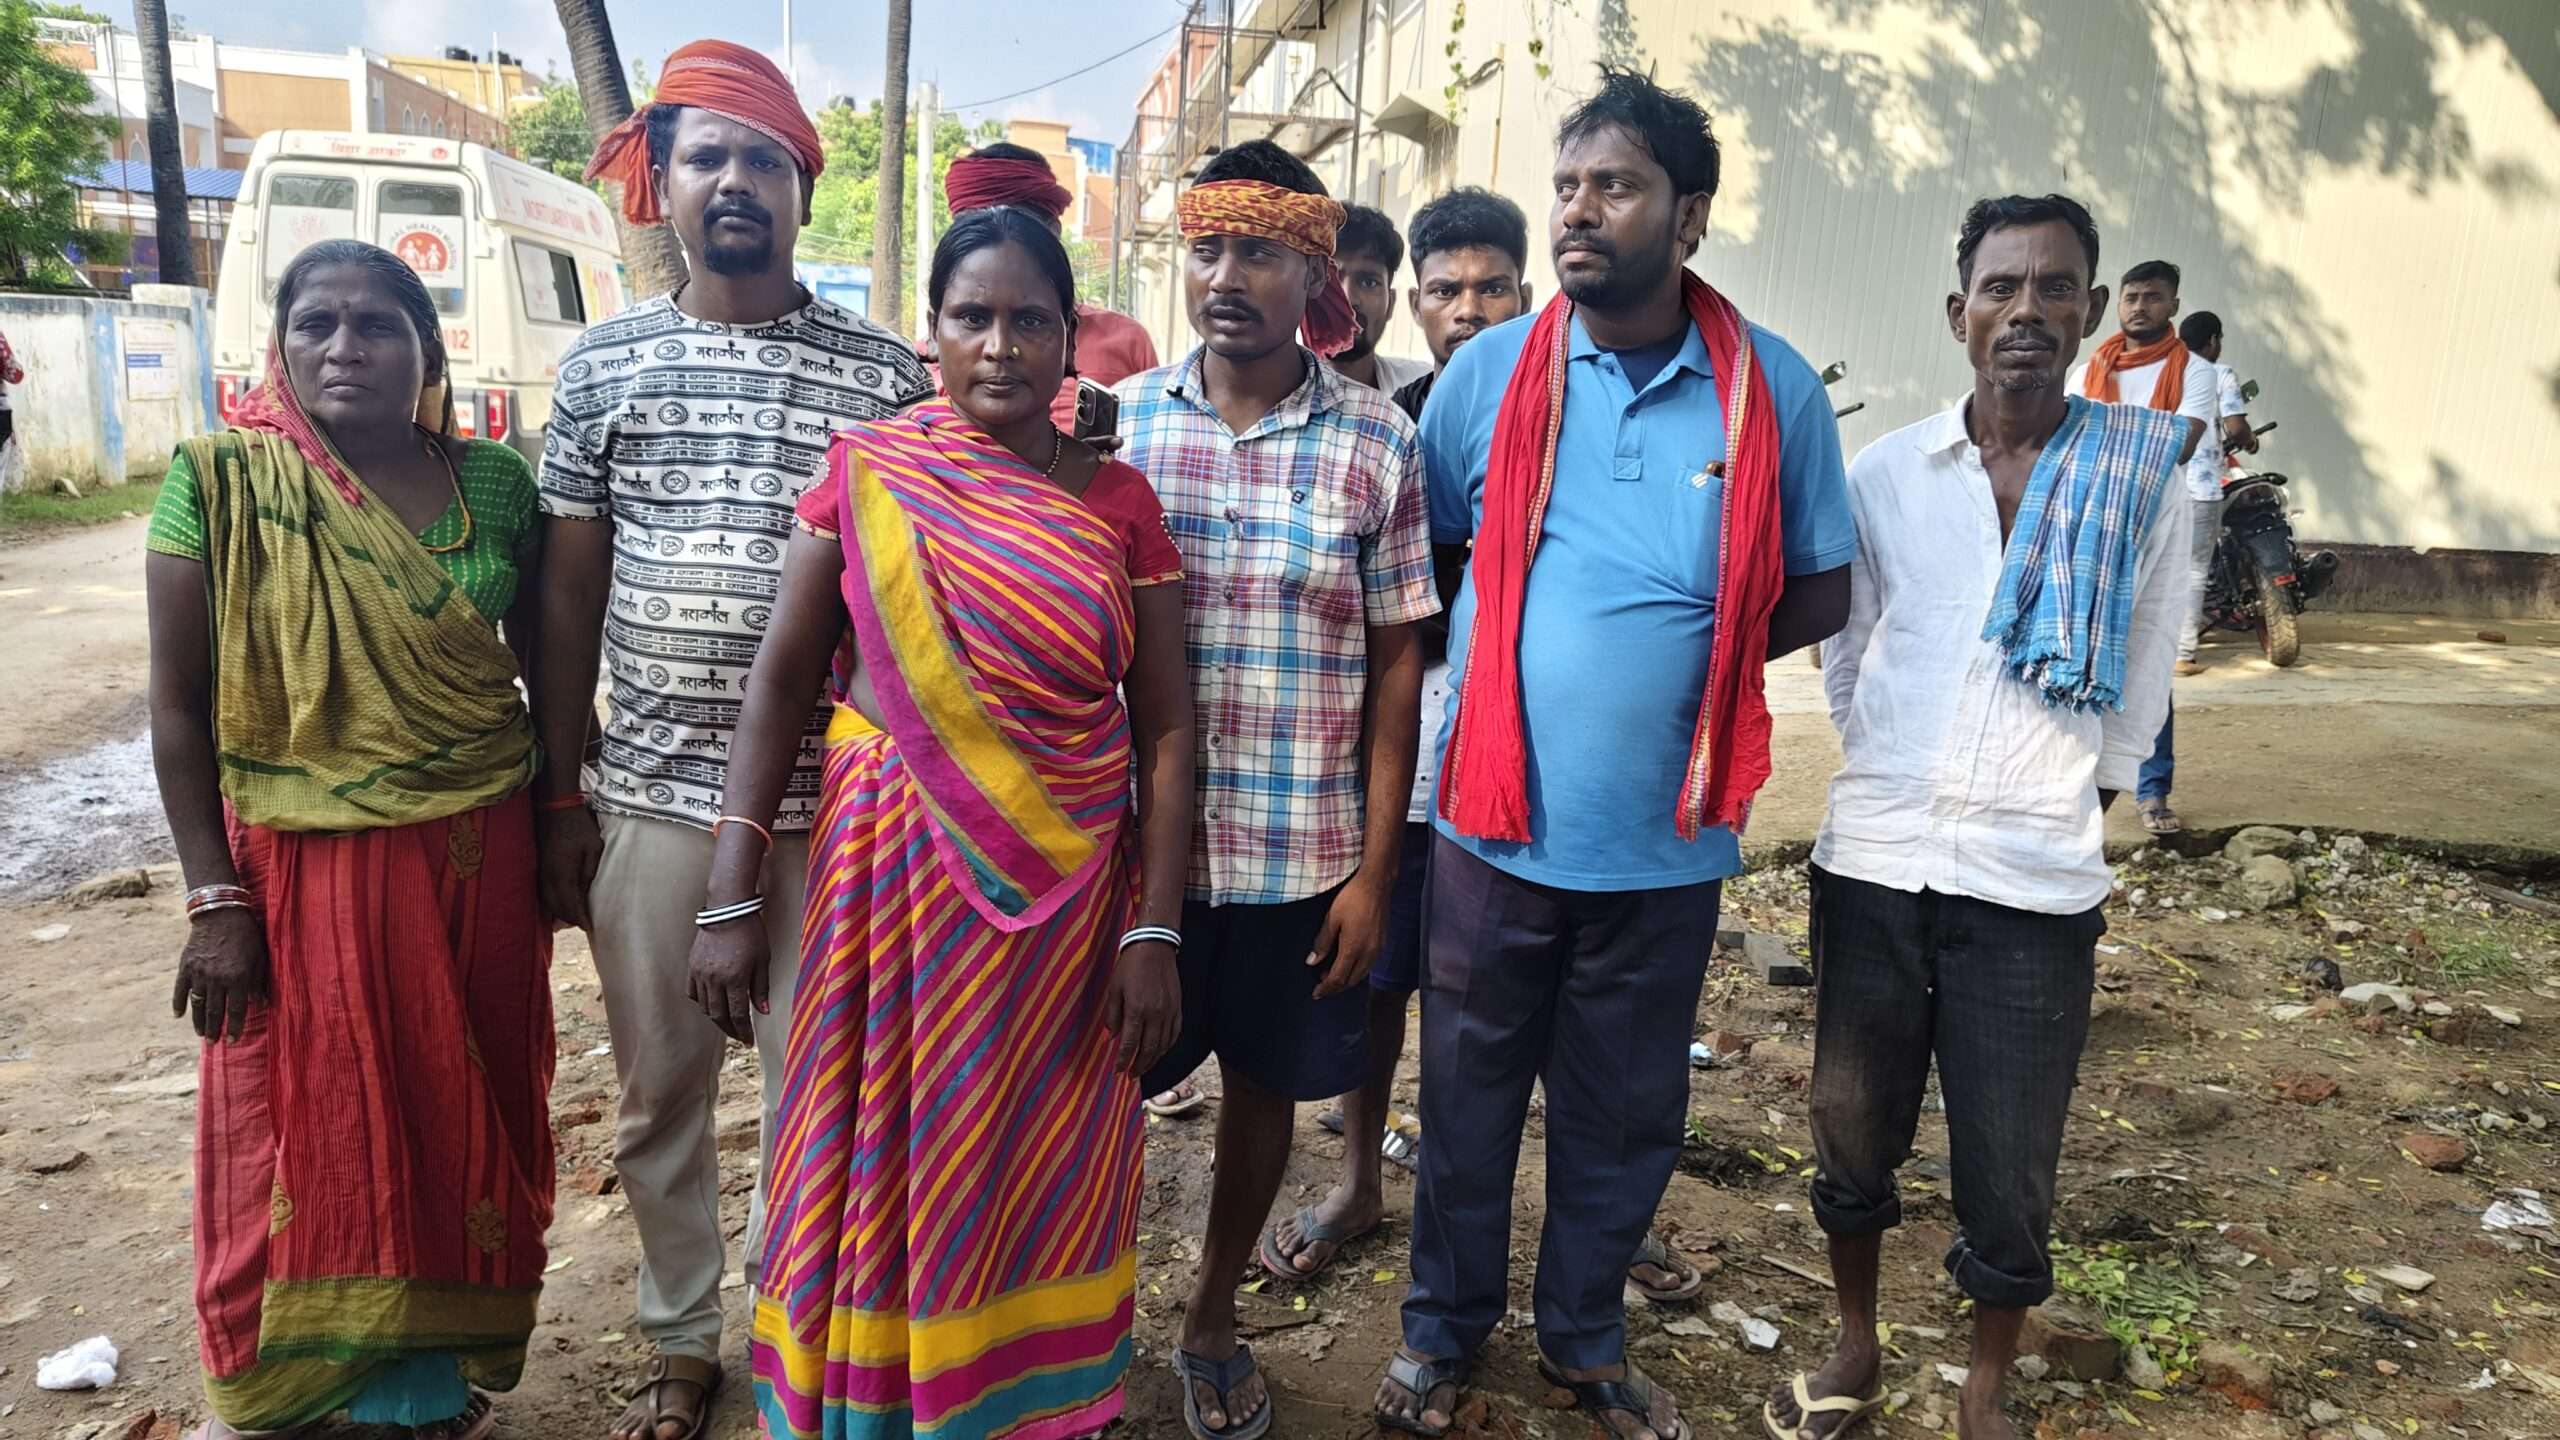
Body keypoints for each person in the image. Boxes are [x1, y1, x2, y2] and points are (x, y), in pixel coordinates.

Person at [1380, 68, 1854, 1440]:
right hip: (1491, 834)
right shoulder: (1487, 377)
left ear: (1689, 216)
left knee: (1626, 1113)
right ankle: (1439, 1332)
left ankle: (1585, 1340)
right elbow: (1442, 555)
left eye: (1618, 187)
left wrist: (1691, 655)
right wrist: (1533, 653)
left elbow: (1818, 585)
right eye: (1569, 186)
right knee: (1465, 1099)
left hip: (1664, 841)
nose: (1580, 212)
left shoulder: (1769, 391)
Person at [704, 207, 1193, 1440]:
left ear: (1070, 336)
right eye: (973, 316)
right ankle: (877, 1402)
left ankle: (1018, 1403)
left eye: (1032, 320)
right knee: (878, 1136)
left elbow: (1168, 729)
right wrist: (729, 890)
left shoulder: (1122, 503)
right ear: (932, 331)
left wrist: (1155, 932)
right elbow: (779, 682)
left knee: (1035, 1143)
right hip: (890, 883)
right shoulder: (869, 473)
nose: (1001, 345)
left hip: (1062, 905)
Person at [528, 40, 931, 1440]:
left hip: (833, 814)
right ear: (663, 181)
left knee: (818, 1099)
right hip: (647, 799)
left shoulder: (887, 376)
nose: (737, 181)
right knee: (659, 1096)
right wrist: (561, 793)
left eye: (766, 158)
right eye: (708, 156)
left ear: (804, 188)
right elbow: (566, 594)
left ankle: (795, 1334)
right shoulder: (602, 366)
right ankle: (680, 1332)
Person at [1767, 194, 2190, 1440]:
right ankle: (1855, 1344)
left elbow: (2148, 656)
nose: (2025, 311)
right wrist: (1894, 766)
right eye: (2001, 288)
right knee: (1850, 1128)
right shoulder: (1888, 474)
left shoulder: (2140, 475)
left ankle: (1984, 1386)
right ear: (1960, 313)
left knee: (2010, 1161)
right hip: (1875, 859)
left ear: (2091, 312)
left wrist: (2071, 797)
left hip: (2033, 882)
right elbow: (1850, 653)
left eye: (2054, 288)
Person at [145, 239, 555, 1440]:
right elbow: (176, 708)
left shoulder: (494, 484)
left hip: (477, 854)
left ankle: (427, 1382)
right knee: (300, 1111)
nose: (344, 347)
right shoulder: (220, 480)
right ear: (278, 344)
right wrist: (214, 900)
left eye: (377, 324)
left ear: (427, 349)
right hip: (294, 867)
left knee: (467, 1100)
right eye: (315, 322)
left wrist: (566, 822)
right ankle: (297, 1385)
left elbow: (542, 675)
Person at [1114, 137, 1436, 1440]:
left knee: (1261, 1088)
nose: (1226, 276)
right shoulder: (1117, 426)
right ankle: (1071, 1330)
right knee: (1092, 1097)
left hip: (1297, 856)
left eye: (1257, 251)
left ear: (1315, 272)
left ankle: (1209, 1320)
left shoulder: (1378, 443)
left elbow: (1399, 667)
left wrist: (1373, 875)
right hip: (1129, 861)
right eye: (1207, 248)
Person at [2065, 259, 2209, 835]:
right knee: (2075, 652)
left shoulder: (2193, 371)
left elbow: (2183, 442)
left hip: (2154, 528)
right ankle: (2071, 782)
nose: (2140, 307)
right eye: (2132, 297)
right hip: (2084, 526)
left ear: (2173, 305)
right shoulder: (2087, 370)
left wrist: (2107, 442)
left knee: (2147, 658)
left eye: (2152, 297)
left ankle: (2152, 790)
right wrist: (2139, 437)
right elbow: (2062, 438)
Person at [942, 142, 1159, 426]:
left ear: (1053, 233)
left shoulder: (1126, 341)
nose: (998, 348)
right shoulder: (924, 363)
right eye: (973, 319)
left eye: (1020, 230)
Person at [1328, 203, 1434, 396]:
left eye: (1368, 282)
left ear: (1390, 303)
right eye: (1331, 280)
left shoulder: (1424, 389)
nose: (1349, 299)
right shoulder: (1273, 393)